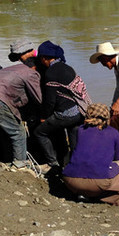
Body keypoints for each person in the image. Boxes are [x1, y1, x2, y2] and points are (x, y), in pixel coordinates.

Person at [61, 103, 119, 206]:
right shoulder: (113, 133)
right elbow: (117, 156)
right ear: (107, 118)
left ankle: (82, 194)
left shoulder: (80, 130)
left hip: (70, 181)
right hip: (97, 183)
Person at [33, 41, 85, 172]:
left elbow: (50, 101)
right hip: (78, 112)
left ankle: (53, 164)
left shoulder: (51, 73)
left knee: (39, 132)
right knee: (74, 144)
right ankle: (74, 168)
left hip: (66, 114)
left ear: (45, 58)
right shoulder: (68, 68)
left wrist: (44, 117)